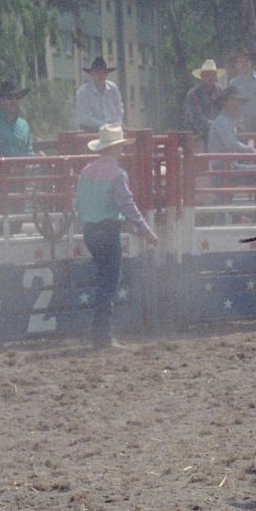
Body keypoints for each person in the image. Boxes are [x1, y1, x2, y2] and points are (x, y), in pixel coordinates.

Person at [73, 123, 159, 349]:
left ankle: (100, 333)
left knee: (104, 279)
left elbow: (79, 205)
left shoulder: (85, 172)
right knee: (108, 282)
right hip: (107, 231)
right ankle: (103, 336)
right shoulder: (118, 174)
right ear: (116, 149)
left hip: (90, 231)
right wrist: (144, 229)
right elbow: (126, 204)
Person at [0, 81, 35, 157]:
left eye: (17, 97)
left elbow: (28, 152)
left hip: (20, 168)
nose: (14, 101)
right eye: (10, 97)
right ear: (1, 101)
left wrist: (39, 158)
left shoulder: (24, 125)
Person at [76, 56, 124, 133]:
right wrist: (105, 126)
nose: (101, 75)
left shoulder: (113, 88)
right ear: (91, 74)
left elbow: (119, 108)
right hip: (90, 132)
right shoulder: (83, 92)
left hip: (112, 130)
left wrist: (118, 123)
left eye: (104, 72)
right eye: (98, 72)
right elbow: (85, 118)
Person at [184, 59, 225, 141]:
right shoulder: (193, 94)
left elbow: (225, 110)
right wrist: (210, 124)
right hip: (197, 133)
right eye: (207, 75)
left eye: (213, 75)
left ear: (216, 76)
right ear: (202, 77)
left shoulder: (221, 91)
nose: (210, 77)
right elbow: (195, 115)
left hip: (219, 132)